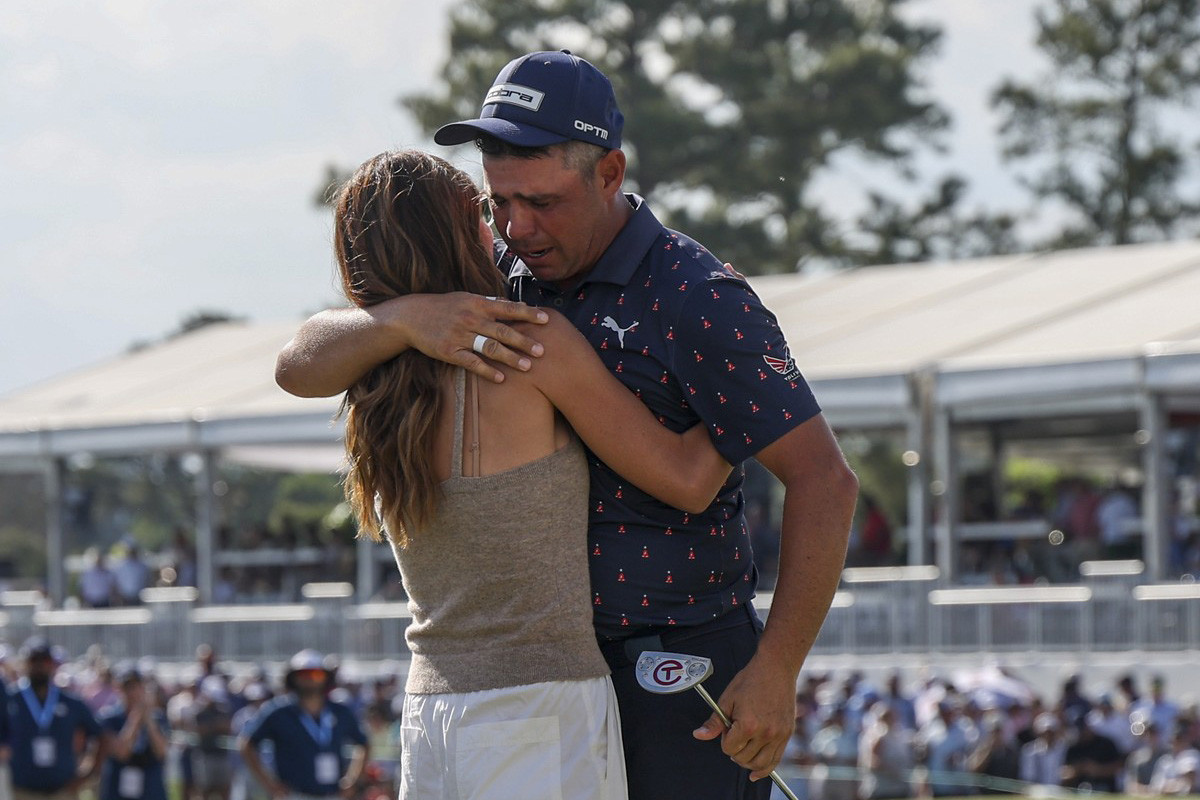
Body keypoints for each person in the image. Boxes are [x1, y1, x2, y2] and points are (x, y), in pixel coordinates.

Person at [275, 49, 858, 800]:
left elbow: (826, 482)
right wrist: (405, 317)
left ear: (610, 174)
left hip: (676, 667)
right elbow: (295, 364)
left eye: (541, 201)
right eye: (499, 202)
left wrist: (778, 668)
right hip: (553, 677)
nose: (517, 227)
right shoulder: (497, 279)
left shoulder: (697, 296)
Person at [329, 146, 730, 799]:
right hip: (540, 701)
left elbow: (294, 365)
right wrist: (730, 376)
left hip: (432, 708)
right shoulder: (528, 344)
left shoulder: (368, 375)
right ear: (454, 234)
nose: (505, 231)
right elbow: (687, 479)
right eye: (484, 214)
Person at [238, 650, 368, 800]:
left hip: (333, 795)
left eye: (315, 675)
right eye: (303, 675)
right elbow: (246, 743)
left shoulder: (340, 711)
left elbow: (363, 743)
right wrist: (269, 783)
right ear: (293, 678)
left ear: (325, 678)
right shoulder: (278, 712)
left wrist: (353, 779)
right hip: (294, 795)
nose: (310, 680)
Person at [5, 638, 106, 800]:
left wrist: (88, 773)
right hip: (21, 791)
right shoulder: (10, 699)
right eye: (33, 660)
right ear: (24, 664)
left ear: (52, 664)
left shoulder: (70, 702)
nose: (39, 666)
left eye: (44, 660)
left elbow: (101, 735)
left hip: (62, 791)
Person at [97, 662, 169, 800]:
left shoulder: (157, 717)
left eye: (137, 687)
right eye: (128, 687)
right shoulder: (108, 717)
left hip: (151, 788)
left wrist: (148, 720)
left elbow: (162, 752)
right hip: (118, 788)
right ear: (119, 689)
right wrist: (135, 719)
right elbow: (122, 752)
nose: (133, 692)